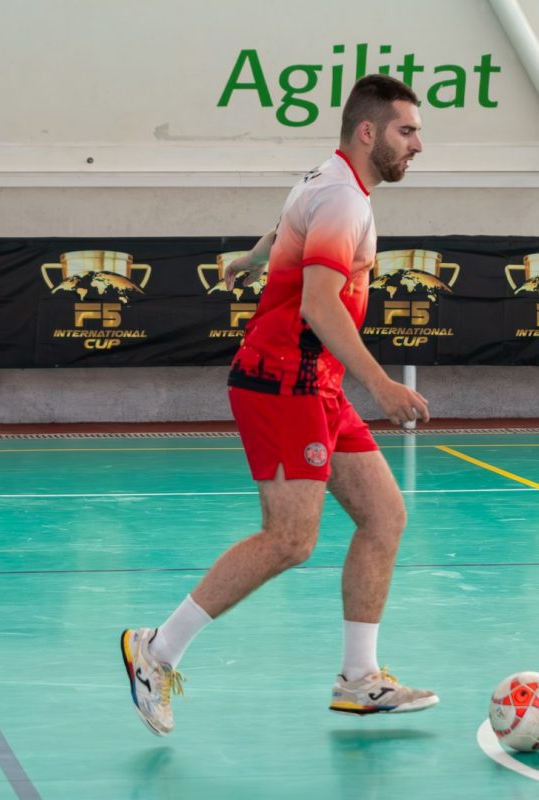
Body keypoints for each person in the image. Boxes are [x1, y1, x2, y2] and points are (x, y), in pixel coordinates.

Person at [120, 74, 435, 737]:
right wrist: (381, 384)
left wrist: (253, 258)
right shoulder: (342, 197)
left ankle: (359, 679)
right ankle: (156, 651)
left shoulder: (330, 181)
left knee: (384, 516)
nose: (418, 145)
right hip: (282, 380)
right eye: (407, 131)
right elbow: (319, 305)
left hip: (317, 383)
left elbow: (288, 225)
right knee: (290, 538)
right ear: (368, 132)